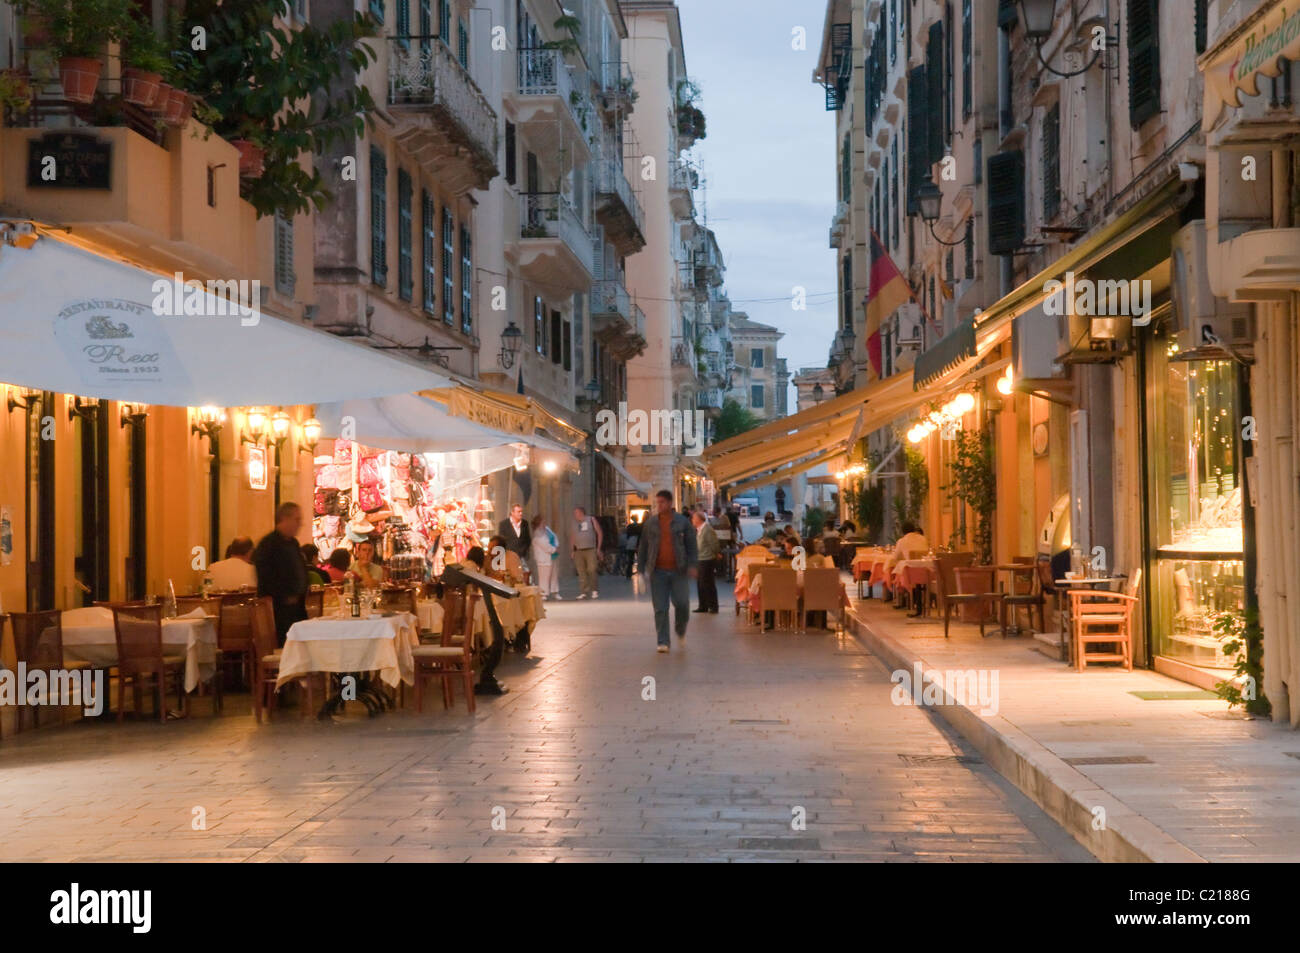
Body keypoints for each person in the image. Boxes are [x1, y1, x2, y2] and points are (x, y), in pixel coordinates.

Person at [441, 546, 508, 695]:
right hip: (468, 602)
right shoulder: (471, 567)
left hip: (463, 603)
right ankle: (486, 666)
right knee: (492, 623)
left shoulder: (464, 564)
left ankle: (487, 670)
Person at [637, 489, 698, 652]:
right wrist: (640, 570)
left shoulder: (682, 522)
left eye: (662, 502)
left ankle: (680, 630)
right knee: (660, 608)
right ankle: (663, 641)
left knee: (682, 603)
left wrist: (693, 565)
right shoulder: (651, 523)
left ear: (670, 503)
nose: (659, 505)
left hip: (679, 570)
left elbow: (691, 545)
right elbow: (642, 547)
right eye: (657, 502)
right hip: (658, 572)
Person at [252, 502, 308, 646]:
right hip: (278, 611)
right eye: (297, 520)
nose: (300, 524)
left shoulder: (293, 543)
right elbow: (265, 576)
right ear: (284, 519)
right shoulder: (268, 545)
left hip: (297, 609)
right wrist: (285, 596)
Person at [891, 521, 932, 616]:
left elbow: (895, 557)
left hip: (912, 573)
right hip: (927, 571)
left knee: (901, 573)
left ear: (902, 531)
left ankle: (907, 602)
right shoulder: (923, 538)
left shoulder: (901, 541)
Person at [571, 506, 603, 599]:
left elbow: (599, 532)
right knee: (581, 571)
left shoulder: (591, 519)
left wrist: (599, 548)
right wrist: (572, 550)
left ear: (581, 512)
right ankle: (583, 591)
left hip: (590, 549)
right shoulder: (574, 523)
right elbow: (572, 537)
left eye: (576, 513)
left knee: (592, 569)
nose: (575, 515)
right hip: (578, 550)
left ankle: (594, 590)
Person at [692, 511, 720, 613]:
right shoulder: (699, 530)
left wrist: (716, 554)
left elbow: (714, 544)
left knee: (708, 583)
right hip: (700, 559)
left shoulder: (707, 530)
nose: (692, 520)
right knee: (700, 584)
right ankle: (703, 605)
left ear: (699, 519)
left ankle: (713, 606)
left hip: (707, 559)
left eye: (693, 518)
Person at [530, 514, 560, 599]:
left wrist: (557, 546)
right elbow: (545, 546)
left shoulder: (547, 529)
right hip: (544, 558)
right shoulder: (537, 533)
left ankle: (555, 591)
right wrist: (554, 549)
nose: (544, 523)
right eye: (543, 522)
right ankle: (544, 593)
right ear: (539, 523)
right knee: (544, 576)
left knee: (554, 575)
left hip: (553, 556)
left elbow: (554, 536)